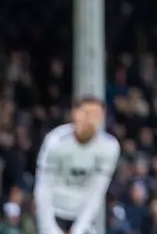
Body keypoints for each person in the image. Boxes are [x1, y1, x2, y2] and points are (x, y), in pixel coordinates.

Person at [34, 96, 119, 234]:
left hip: (83, 217)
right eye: (86, 113)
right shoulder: (56, 142)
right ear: (75, 113)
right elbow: (43, 187)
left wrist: (78, 229)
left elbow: (97, 191)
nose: (90, 119)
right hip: (53, 212)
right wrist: (49, 229)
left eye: (95, 114)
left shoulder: (109, 147)